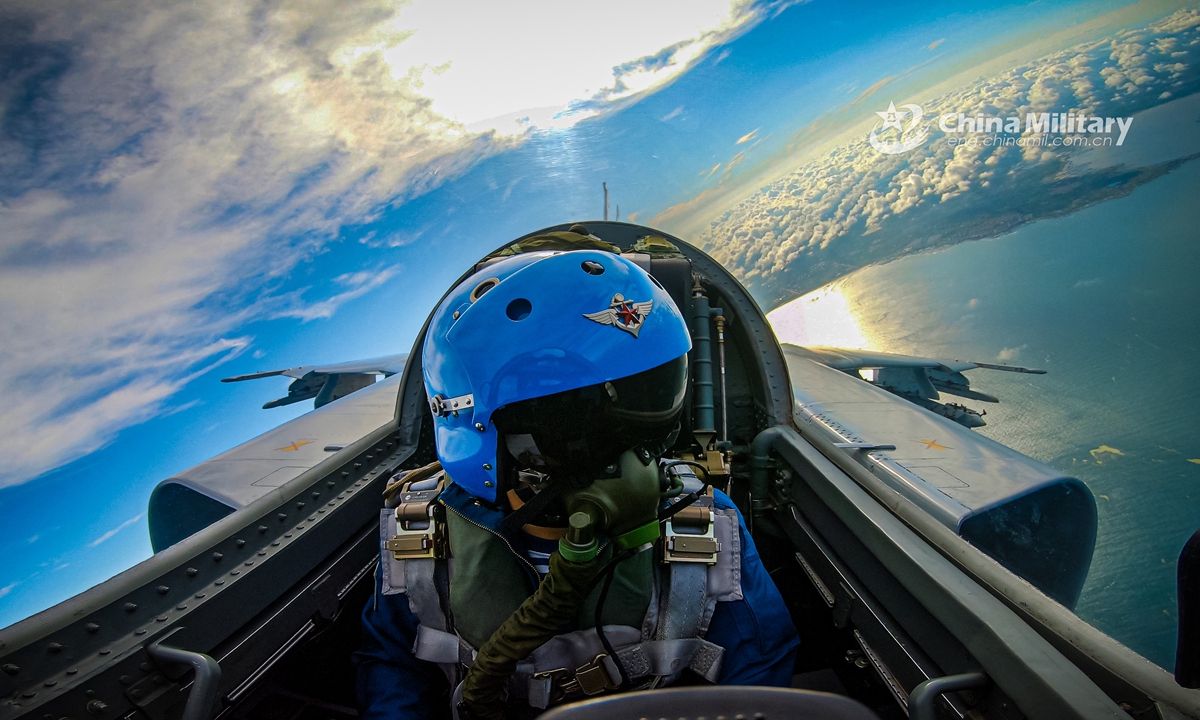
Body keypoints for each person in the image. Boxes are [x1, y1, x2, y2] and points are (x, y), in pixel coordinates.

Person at [355, 236, 799, 720]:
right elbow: (392, 675)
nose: (636, 454)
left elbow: (758, 672)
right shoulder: (419, 537)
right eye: (592, 425)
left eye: (652, 401)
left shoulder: (706, 526)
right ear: (493, 435)